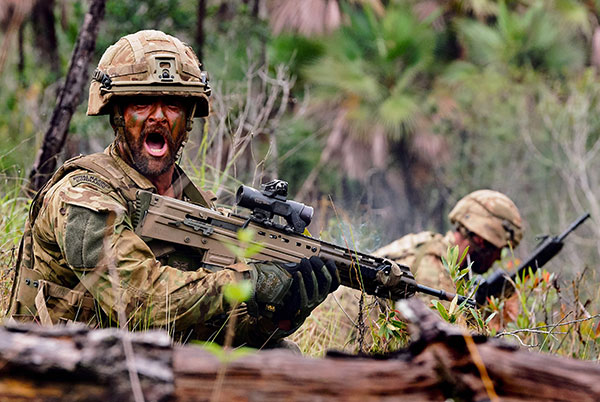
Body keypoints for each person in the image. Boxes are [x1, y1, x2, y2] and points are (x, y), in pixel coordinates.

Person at [7, 30, 340, 348]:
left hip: (157, 366)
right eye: (142, 103)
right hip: (62, 369)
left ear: (189, 118)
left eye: (172, 105)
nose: (159, 117)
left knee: (281, 355)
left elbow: (224, 333)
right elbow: (140, 305)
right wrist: (248, 280)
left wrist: (283, 311)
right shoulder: (82, 196)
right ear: (117, 115)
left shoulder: (197, 209)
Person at [374, 190, 522, 296]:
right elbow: (443, 336)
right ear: (481, 240)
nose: (498, 258)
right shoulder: (433, 268)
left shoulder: (429, 247)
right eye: (499, 250)